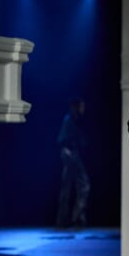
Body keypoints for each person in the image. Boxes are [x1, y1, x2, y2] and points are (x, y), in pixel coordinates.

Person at [56, 97, 90, 228]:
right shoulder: (70, 120)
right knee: (83, 184)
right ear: (75, 107)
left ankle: (67, 219)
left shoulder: (74, 120)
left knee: (69, 186)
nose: (83, 109)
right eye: (81, 106)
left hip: (70, 153)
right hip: (70, 153)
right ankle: (76, 217)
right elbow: (64, 139)